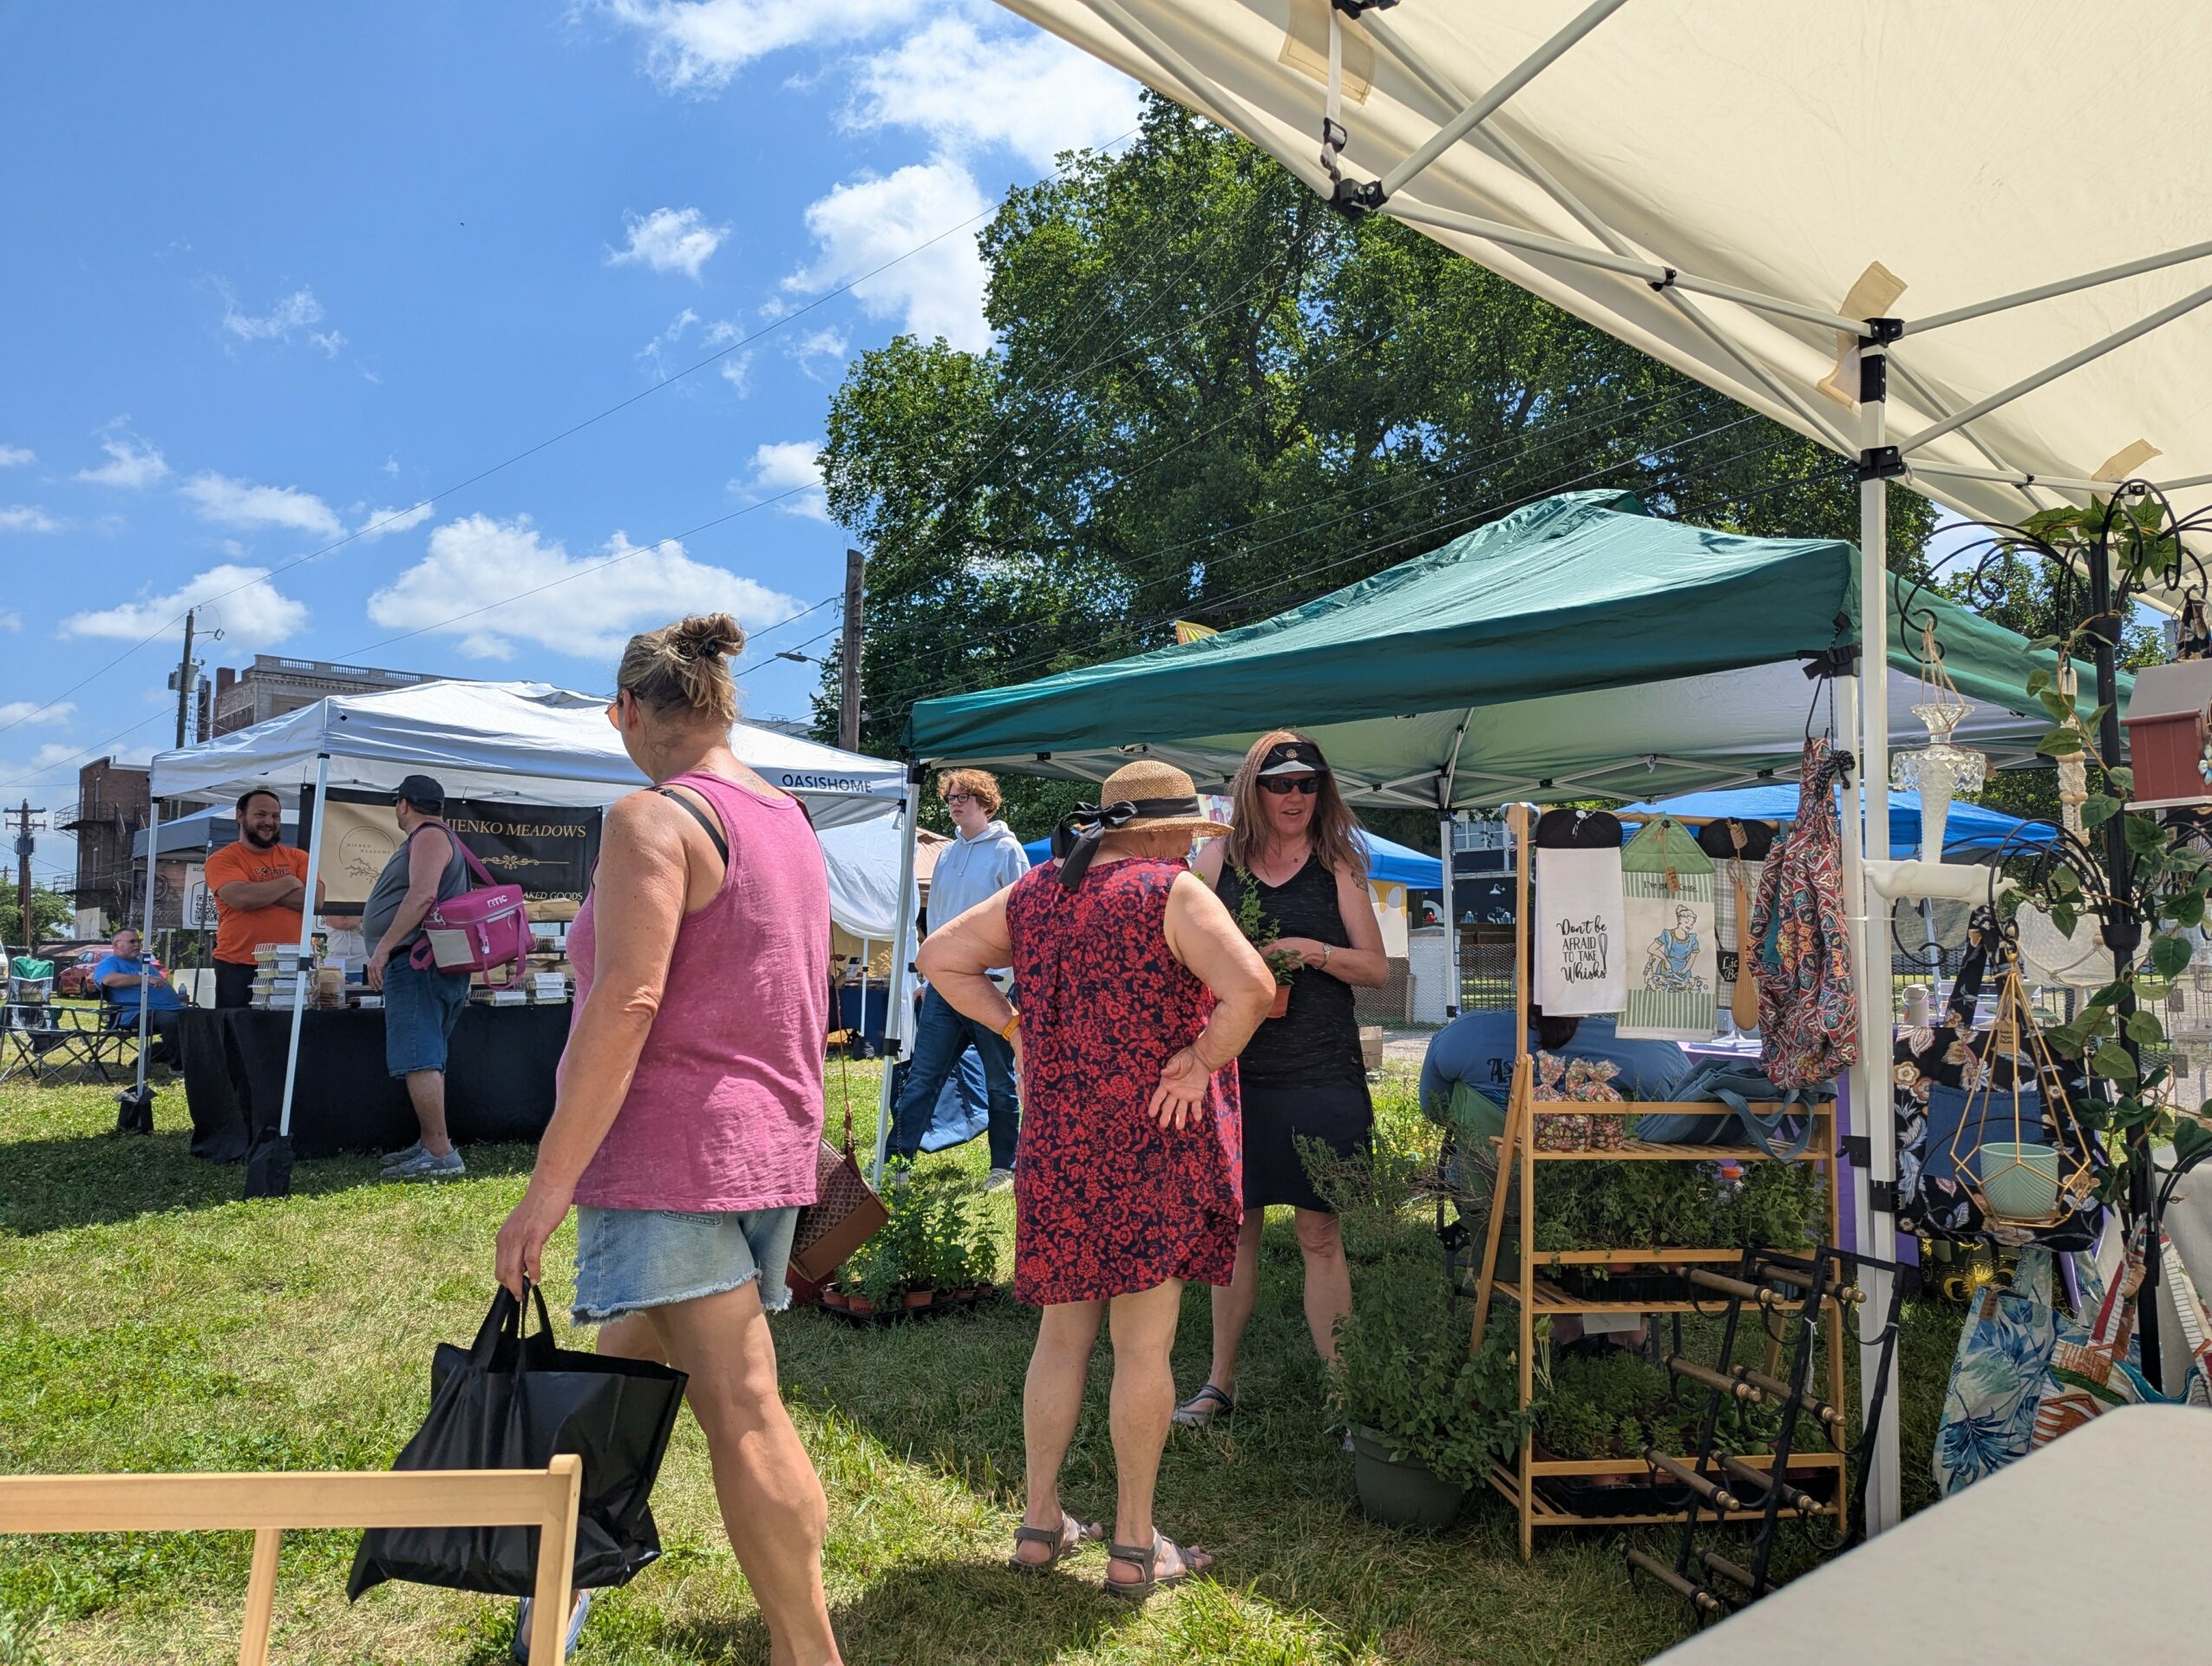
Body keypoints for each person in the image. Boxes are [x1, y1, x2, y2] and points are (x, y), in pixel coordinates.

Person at [494, 613, 841, 1666]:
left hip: (673, 1154)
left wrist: (547, 1185)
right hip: (765, 1147)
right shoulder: (787, 817)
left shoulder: (649, 817)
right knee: (626, 1374)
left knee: (744, 1407)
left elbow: (627, 1002)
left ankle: (810, 1652)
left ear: (626, 712)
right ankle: (561, 1579)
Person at [917, 759, 1273, 1596]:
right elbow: (1253, 989)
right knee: (1143, 1347)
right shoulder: (1172, 892)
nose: (1191, 845)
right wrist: (1201, 1060)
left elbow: (939, 956)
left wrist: (1016, 1030)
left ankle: (1040, 1526)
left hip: (1060, 1142)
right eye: (1187, 832)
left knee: (1061, 1338)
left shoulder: (1038, 891)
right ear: (1164, 831)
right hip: (1154, 1138)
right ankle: (1134, 1546)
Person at [1172, 732, 1388, 1430]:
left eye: (1308, 783)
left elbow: (1376, 968)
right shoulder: (1216, 861)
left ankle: (1345, 1396)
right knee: (1236, 1230)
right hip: (1237, 1072)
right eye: (1280, 783)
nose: (1296, 795)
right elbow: (1177, 954)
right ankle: (1218, 1383)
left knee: (1320, 1233)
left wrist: (1310, 951)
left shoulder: (1339, 866)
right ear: (1252, 789)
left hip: (1322, 1070)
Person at [885, 769, 1030, 1189]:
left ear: (985, 801)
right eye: (950, 797)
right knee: (923, 1077)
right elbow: (938, 920)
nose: (954, 804)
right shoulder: (946, 854)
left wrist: (1007, 979)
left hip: (991, 986)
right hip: (945, 989)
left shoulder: (1007, 850)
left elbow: (1022, 918)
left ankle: (1003, 1167)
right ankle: (896, 1165)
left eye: (963, 796)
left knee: (1000, 1083)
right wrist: (930, 976)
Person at [363, 775, 475, 1182]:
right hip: (426, 963)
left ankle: (441, 1152)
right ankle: (430, 1142)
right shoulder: (435, 835)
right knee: (426, 1053)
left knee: (419, 1055)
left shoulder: (428, 836)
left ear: (403, 804)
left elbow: (422, 895)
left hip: (417, 963)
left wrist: (382, 947)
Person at [204, 789, 310, 1009]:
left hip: (289, 964)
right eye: (261, 814)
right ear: (240, 816)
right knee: (238, 1029)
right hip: (237, 965)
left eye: (275, 816)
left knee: (286, 1029)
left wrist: (257, 889)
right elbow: (242, 898)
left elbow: (314, 900)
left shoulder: (299, 857)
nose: (269, 822)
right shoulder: (222, 859)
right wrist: (289, 882)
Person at [95, 928, 184, 1067]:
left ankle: (159, 1052)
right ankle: (179, 1066)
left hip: (170, 1008)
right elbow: (109, 980)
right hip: (135, 1013)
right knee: (172, 1020)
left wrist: (177, 998)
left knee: (203, 1016)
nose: (137, 945)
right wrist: (145, 979)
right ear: (117, 944)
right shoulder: (110, 963)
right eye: (132, 941)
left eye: (138, 941)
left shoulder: (144, 963)